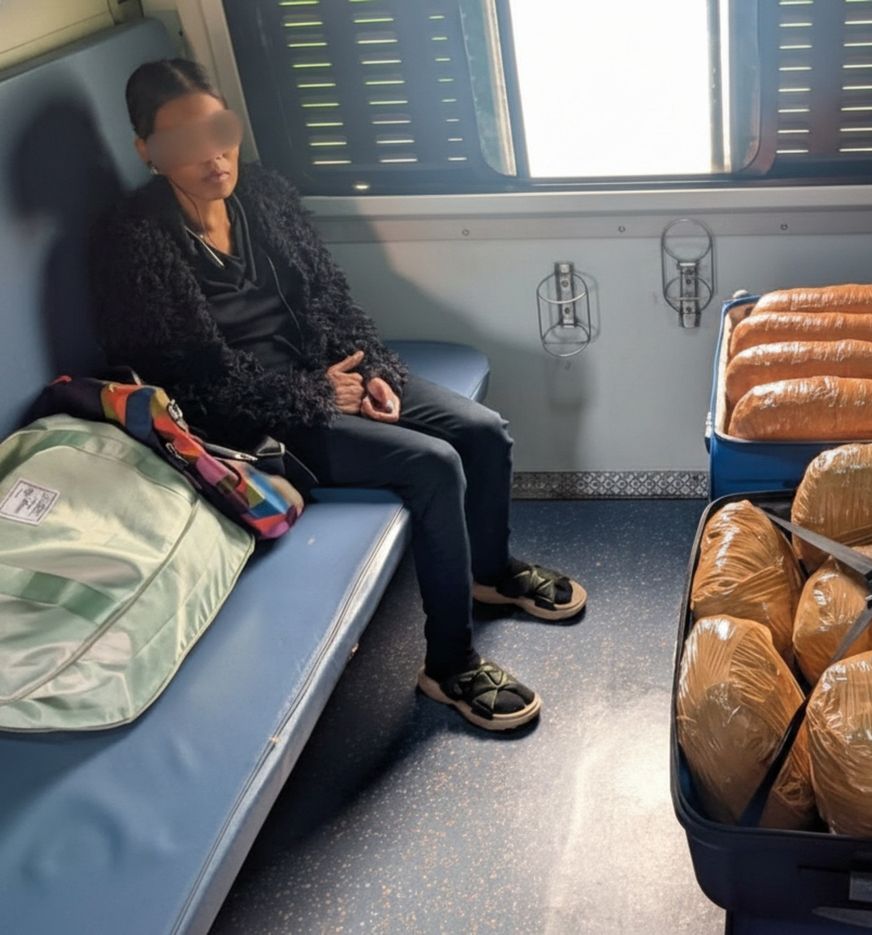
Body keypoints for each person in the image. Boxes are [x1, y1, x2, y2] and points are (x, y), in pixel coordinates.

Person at [91, 59, 586, 732]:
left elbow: (331, 299)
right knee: (434, 466)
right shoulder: (132, 244)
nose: (212, 156)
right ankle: (449, 666)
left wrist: (371, 369)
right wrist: (316, 394)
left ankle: (490, 573)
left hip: (328, 379)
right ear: (147, 150)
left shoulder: (264, 195)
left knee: (481, 431)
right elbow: (189, 386)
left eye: (218, 131)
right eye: (184, 142)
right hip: (252, 422)